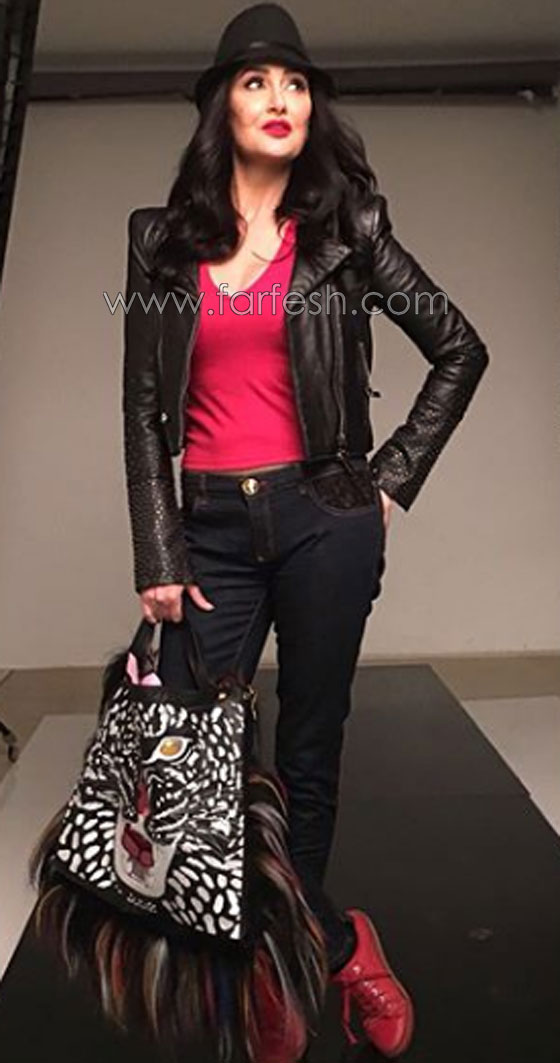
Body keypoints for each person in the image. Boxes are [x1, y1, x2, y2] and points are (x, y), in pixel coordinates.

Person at [122, 4, 490, 1059]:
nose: (280, 99)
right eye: (255, 82)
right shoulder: (159, 243)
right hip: (209, 526)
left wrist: (387, 481)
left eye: (294, 82)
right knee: (193, 758)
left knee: (308, 751)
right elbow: (141, 409)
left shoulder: (348, 232)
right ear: (220, 107)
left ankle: (275, 974)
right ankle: (336, 942)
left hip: (323, 518)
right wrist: (158, 552)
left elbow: (458, 348)